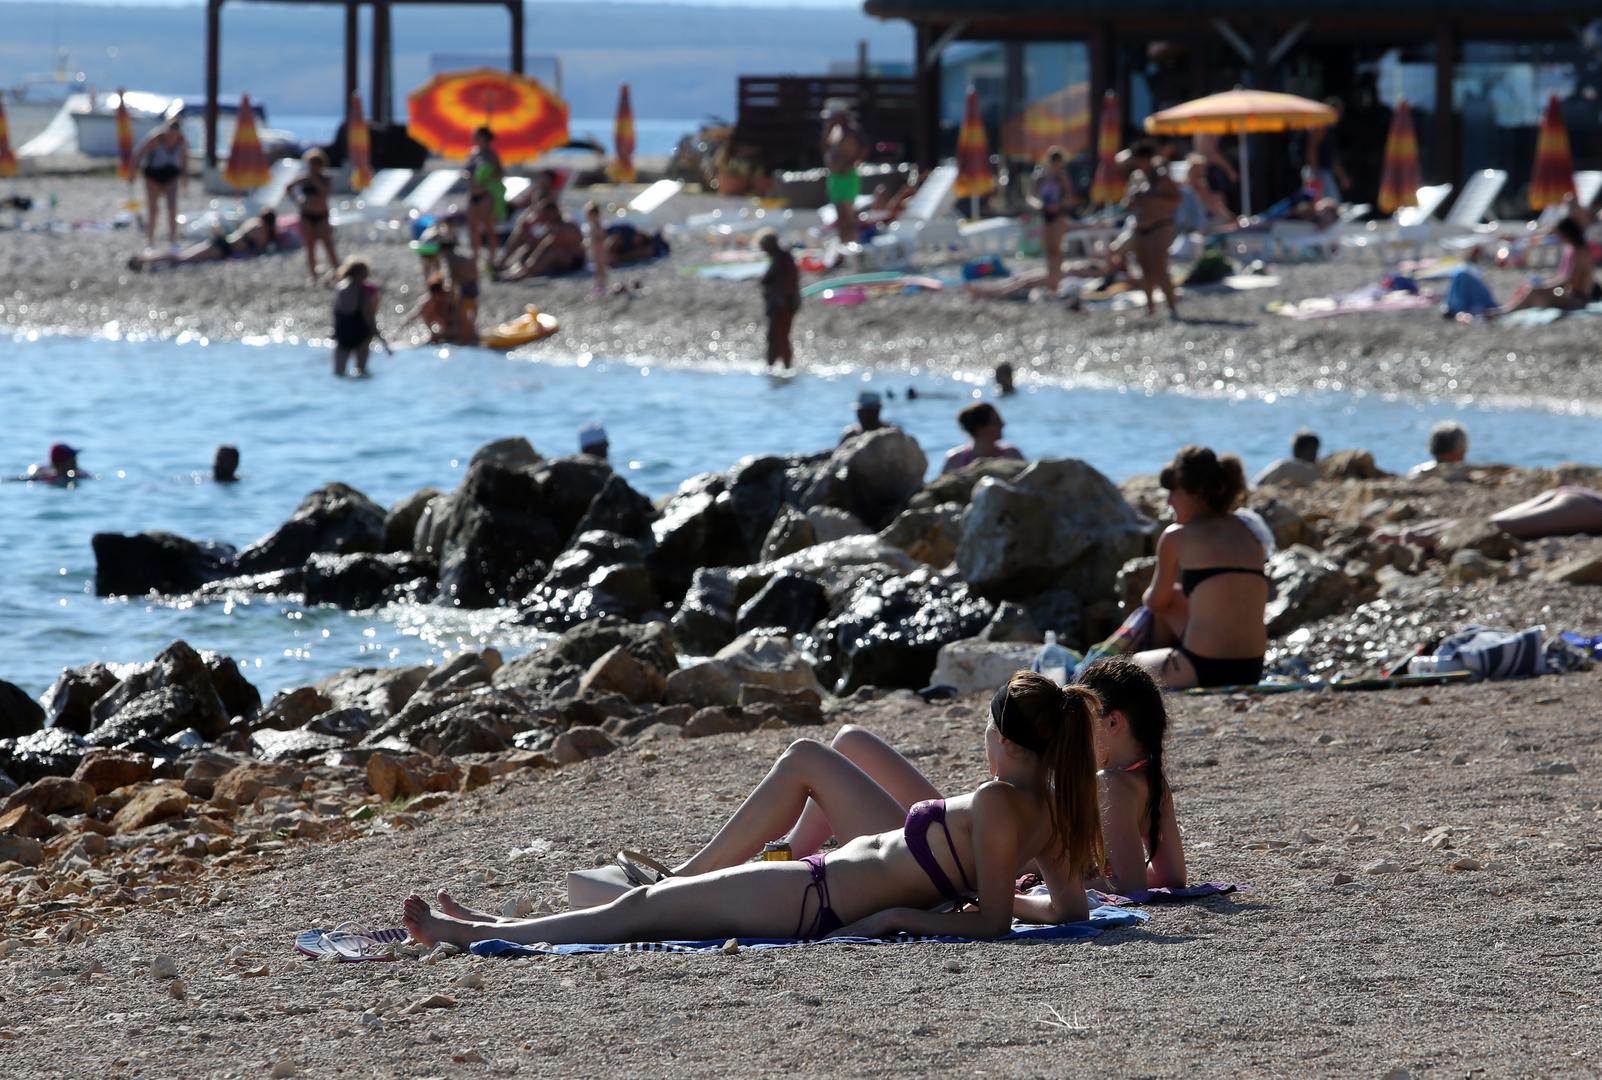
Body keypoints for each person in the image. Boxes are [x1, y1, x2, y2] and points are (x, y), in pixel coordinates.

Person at [402, 671, 1104, 947]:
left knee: (637, 911)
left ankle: (477, 934)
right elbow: (1065, 912)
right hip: (823, 886)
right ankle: (495, 924)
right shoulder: (1050, 813)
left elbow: (990, 923)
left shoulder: (994, 800)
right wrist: (973, 908)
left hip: (814, 894)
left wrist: (903, 917)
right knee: (637, 909)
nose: (981, 739)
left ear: (1008, 742)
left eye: (987, 729)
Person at [1133, 446, 1267, 690]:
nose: (1168, 500)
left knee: (1135, 665)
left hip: (1205, 668)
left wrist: (1146, 595)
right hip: (1252, 668)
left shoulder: (1176, 536)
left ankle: (1164, 675)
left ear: (1198, 493)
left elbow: (1155, 603)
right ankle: (1174, 657)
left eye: (1175, 491)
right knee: (1174, 596)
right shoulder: (1250, 531)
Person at [1119, 145, 1182, 318]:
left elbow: (1176, 200)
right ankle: (1150, 307)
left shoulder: (1161, 178)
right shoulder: (1136, 178)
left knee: (1160, 268)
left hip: (1160, 225)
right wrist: (1134, 200)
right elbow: (1126, 203)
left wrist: (1152, 200)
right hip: (1141, 227)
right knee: (1145, 269)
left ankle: (1172, 306)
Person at [1488, 218, 1598, 317]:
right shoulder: (1572, 250)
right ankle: (1506, 310)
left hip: (1577, 300)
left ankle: (1505, 312)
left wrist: (1545, 285)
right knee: (1530, 288)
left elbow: (1567, 281)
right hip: (1572, 296)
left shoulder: (1578, 253)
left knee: (1535, 292)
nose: (1558, 237)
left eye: (1558, 234)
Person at [127, 210, 279, 271]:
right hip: (223, 248)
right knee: (183, 258)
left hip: (222, 244)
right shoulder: (260, 228)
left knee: (182, 255)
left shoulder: (252, 222)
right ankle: (145, 259)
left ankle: (147, 259)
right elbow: (261, 247)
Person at [131, 119, 187, 246]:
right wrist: (133, 172)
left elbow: (184, 161)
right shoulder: (156, 138)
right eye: (169, 133)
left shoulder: (181, 141)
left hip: (171, 175)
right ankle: (150, 239)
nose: (171, 137)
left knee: (172, 206)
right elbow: (138, 153)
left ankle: (173, 239)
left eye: (174, 134)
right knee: (153, 209)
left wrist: (185, 181)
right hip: (153, 175)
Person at [497, 200, 584, 281]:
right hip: (562, 256)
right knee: (528, 248)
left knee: (552, 253)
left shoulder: (566, 226)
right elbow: (542, 243)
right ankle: (515, 269)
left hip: (573, 260)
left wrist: (531, 262)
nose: (543, 218)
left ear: (552, 213)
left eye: (545, 215)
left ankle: (525, 273)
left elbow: (547, 244)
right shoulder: (553, 226)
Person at [287, 149, 338, 282]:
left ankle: (337, 270)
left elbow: (324, 192)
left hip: (321, 215)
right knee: (309, 245)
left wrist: (313, 179)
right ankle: (313, 275)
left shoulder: (324, 178)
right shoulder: (304, 178)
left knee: (328, 244)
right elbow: (289, 187)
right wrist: (298, 201)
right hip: (306, 214)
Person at [821, 102, 867, 245]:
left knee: (848, 213)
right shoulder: (834, 131)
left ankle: (852, 242)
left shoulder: (853, 130)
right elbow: (825, 146)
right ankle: (843, 243)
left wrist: (852, 163)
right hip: (835, 176)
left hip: (847, 176)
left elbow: (864, 148)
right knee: (840, 214)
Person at [331, 256, 384, 376]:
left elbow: (336, 312)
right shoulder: (365, 291)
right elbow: (369, 315)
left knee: (339, 373)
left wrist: (334, 332)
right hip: (361, 331)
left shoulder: (340, 288)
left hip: (343, 331)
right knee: (361, 372)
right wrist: (380, 337)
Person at [1029, 147, 1073, 296]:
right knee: (1049, 251)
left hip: (1058, 215)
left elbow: (1069, 198)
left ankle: (1056, 282)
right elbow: (1031, 197)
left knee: (1056, 249)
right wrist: (1039, 205)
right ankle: (1051, 283)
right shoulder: (1040, 176)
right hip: (1044, 214)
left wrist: (1058, 205)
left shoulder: (1062, 177)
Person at [757, 228, 800, 370]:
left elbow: (786, 284)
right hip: (781, 303)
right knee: (774, 336)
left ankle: (785, 366)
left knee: (780, 336)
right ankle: (773, 365)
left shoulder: (783, 258)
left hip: (783, 304)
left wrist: (781, 301)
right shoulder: (780, 258)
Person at [940, 402, 1024, 474]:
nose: (1002, 424)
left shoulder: (1012, 454)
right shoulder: (955, 460)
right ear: (980, 428)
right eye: (996, 422)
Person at [464, 126, 505, 268]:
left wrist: (487, 175)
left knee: (488, 229)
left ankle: (492, 259)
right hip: (473, 194)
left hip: (486, 195)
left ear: (484, 138)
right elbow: (466, 171)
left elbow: (500, 174)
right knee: (472, 228)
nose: (474, 138)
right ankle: (475, 258)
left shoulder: (491, 155)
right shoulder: (473, 153)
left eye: (476, 136)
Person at [1303, 99, 1351, 202]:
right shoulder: (1320, 125)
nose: (1340, 115)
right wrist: (1315, 174)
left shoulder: (1328, 127)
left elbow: (1331, 158)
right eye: (1339, 112)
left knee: (1329, 201)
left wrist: (1342, 176)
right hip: (1317, 171)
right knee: (1325, 202)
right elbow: (1312, 149)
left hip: (1323, 171)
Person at [439, 230, 481, 343]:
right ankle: (470, 333)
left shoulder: (450, 259)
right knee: (470, 311)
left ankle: (464, 338)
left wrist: (450, 297)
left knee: (461, 315)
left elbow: (453, 278)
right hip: (473, 285)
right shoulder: (461, 256)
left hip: (466, 286)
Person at [399, 272, 459, 344]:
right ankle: (436, 335)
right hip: (437, 326)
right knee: (427, 311)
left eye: (440, 296)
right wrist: (401, 328)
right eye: (435, 296)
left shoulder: (449, 296)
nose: (438, 298)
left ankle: (447, 333)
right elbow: (414, 315)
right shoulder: (428, 302)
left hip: (451, 324)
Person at [1253, 429, 1321, 488]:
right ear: (1300, 450)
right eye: (1312, 449)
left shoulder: (1283, 464)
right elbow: (1318, 481)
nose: (1315, 454)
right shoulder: (1295, 467)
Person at [11, 443, 91, 485]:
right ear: (65, 461)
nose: (75, 460)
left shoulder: (79, 474)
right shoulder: (48, 478)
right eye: (72, 457)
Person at [585, 202, 608, 296]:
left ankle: (601, 286)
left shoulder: (598, 226)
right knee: (597, 270)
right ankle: (599, 286)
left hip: (600, 251)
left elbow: (600, 238)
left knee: (600, 269)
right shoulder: (594, 226)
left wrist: (590, 242)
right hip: (596, 251)